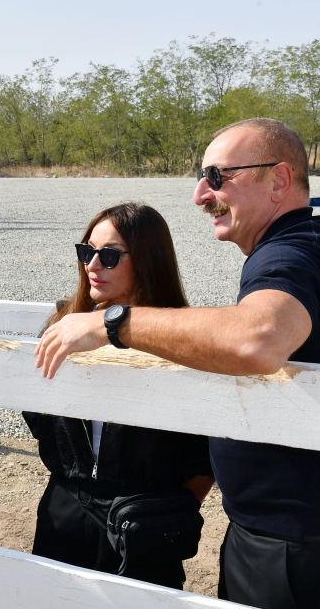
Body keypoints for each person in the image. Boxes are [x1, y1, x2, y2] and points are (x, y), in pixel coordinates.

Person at [34, 118, 320, 609]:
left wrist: (113, 324)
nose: (201, 195)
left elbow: (258, 340)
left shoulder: (293, 252)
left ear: (279, 180)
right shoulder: (315, 241)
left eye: (218, 177)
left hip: (293, 537)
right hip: (306, 527)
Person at [24, 202, 213, 589]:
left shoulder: (183, 340)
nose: (92, 265)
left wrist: (168, 509)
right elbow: (39, 418)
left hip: (144, 520)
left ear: (147, 260)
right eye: (86, 251)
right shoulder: (63, 327)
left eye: (109, 255)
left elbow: (204, 455)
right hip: (66, 511)